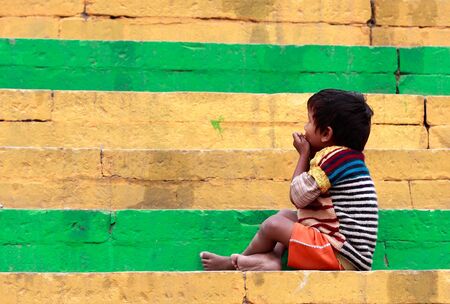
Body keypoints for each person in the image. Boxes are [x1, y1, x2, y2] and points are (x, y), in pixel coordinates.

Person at [200, 89, 378, 271]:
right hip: (341, 250)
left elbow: (298, 196)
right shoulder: (346, 159)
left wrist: (303, 154)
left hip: (339, 255)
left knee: (273, 225)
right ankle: (271, 259)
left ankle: (233, 263)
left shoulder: (333, 159)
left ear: (326, 134)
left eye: (309, 121)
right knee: (285, 215)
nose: (305, 127)